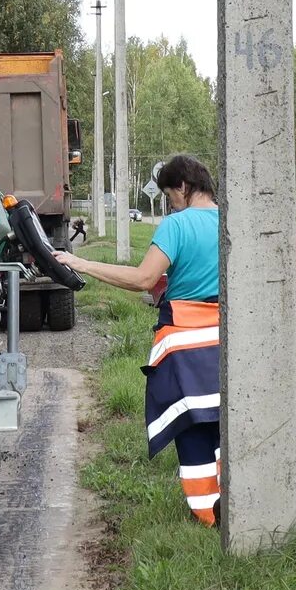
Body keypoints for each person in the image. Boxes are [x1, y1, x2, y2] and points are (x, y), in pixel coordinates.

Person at [56, 154, 222, 525]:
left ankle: (209, 515)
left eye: (170, 196)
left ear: (182, 187)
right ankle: (239, 506)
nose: (171, 204)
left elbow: (144, 279)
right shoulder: (231, 221)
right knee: (225, 426)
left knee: (192, 427)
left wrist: (81, 264)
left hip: (185, 345)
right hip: (227, 344)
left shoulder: (176, 226)